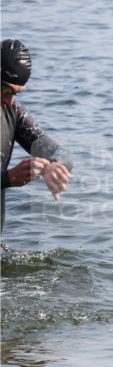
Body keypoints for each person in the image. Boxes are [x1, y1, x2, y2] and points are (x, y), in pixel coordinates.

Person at [1, 39, 73, 231]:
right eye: (6, 90)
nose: (10, 100)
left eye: (16, 93)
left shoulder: (13, 114)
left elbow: (59, 152)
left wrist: (54, 165)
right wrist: (8, 179)